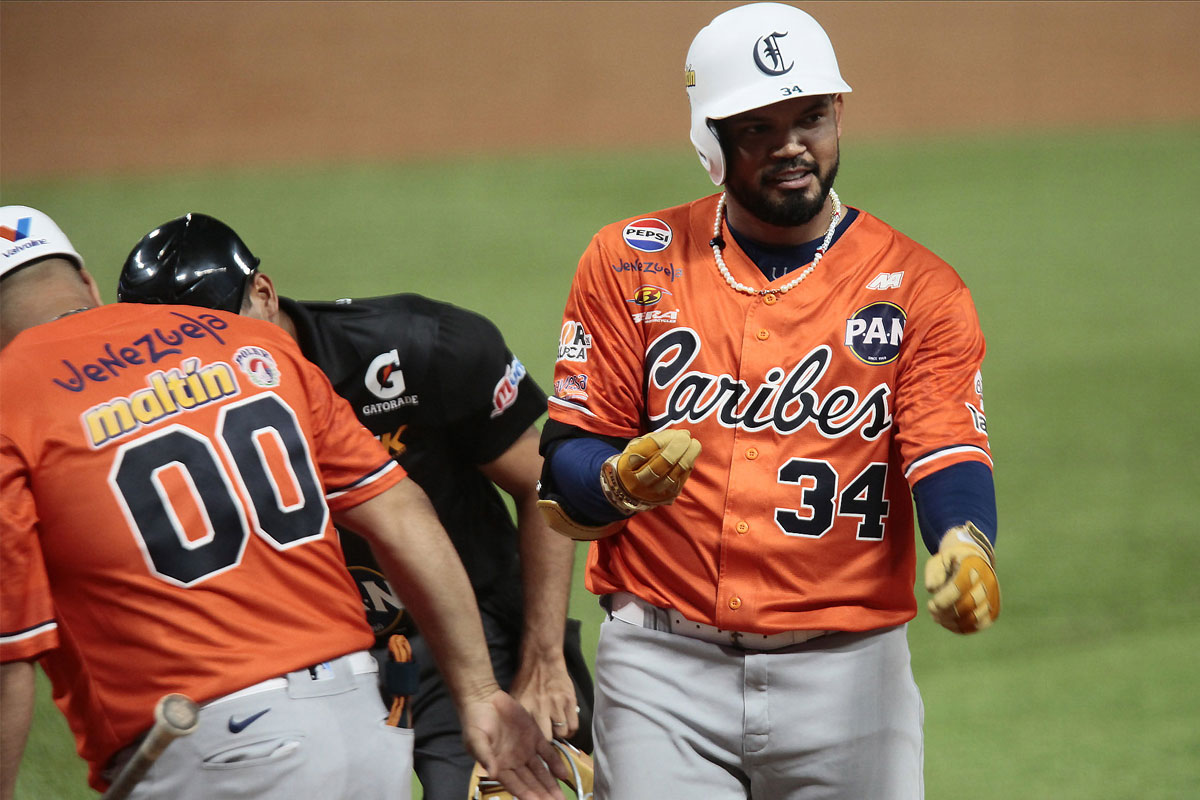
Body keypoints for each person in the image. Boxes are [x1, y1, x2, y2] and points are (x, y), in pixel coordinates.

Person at [536, 4, 1001, 798]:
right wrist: (615, 483)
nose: (792, 144)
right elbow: (565, 461)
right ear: (709, 139)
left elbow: (947, 451)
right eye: (758, 125)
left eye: (811, 116)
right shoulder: (627, 263)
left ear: (839, 114)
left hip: (851, 674)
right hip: (660, 668)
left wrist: (966, 543)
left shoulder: (921, 288)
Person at [0, 205, 569, 800]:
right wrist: (480, 694)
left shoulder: (18, 396)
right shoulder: (257, 351)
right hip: (356, 709)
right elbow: (403, 511)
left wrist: (534, 660)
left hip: (219, 743)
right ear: (88, 285)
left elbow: (11, 648)